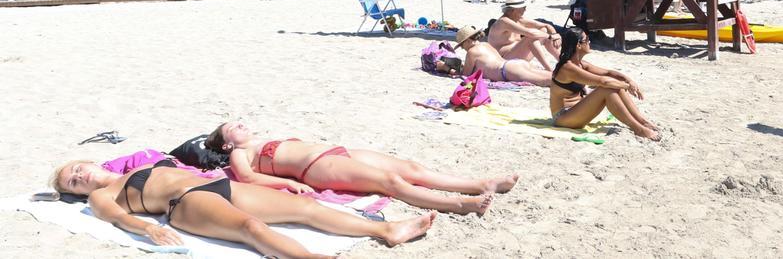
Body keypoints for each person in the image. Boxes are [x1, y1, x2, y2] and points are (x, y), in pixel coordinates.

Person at [50, 158, 434, 257]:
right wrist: (148, 229)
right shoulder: (101, 197)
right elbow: (117, 218)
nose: (79, 176)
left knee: (306, 209)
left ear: (94, 162)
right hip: (184, 203)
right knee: (251, 229)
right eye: (72, 180)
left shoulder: (135, 165)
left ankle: (387, 229)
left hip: (218, 186)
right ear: (75, 192)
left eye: (78, 168)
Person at [206, 121, 517, 215]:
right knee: (391, 181)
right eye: (232, 127)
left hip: (338, 152)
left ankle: (479, 184)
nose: (241, 124)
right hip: (316, 167)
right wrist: (289, 185)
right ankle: (461, 204)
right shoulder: (240, 154)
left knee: (411, 168)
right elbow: (246, 178)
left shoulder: (259, 139)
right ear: (225, 145)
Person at [550, 28, 660, 141]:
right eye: (587, 39)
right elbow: (603, 81)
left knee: (615, 87)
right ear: (578, 45)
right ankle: (638, 129)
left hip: (576, 111)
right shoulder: (568, 68)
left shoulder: (581, 64)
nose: (589, 42)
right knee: (607, 89)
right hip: (563, 118)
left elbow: (608, 73)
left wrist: (629, 80)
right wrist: (627, 86)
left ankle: (643, 122)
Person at [456, 25, 552, 86]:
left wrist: (450, 70)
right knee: (552, 76)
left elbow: (466, 74)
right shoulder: (486, 45)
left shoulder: (472, 52)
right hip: (514, 63)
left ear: (467, 41)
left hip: (506, 71)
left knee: (546, 81)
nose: (462, 48)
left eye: (462, 45)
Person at [487, 0, 561, 71]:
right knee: (531, 38)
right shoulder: (503, 21)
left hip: (517, 55)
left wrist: (555, 35)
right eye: (523, 7)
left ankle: (562, 62)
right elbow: (530, 33)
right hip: (503, 60)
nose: (525, 9)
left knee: (543, 30)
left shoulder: (518, 20)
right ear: (514, 10)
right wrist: (550, 36)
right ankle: (549, 70)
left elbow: (546, 25)